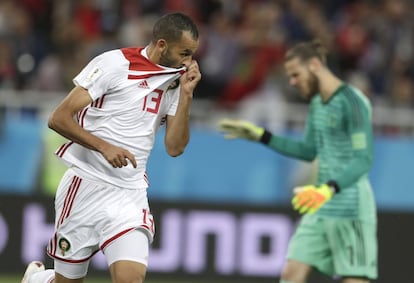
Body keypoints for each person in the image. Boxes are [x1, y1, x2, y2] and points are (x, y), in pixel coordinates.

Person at [21, 12, 201, 283]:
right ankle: (39, 280)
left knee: (130, 279)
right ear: (162, 45)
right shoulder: (114, 64)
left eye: (191, 54)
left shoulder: (175, 83)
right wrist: (104, 147)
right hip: (86, 186)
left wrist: (187, 95)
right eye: (184, 53)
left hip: (130, 194)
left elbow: (175, 147)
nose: (188, 61)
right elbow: (58, 118)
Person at [218, 39, 377, 283]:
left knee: (354, 279)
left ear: (314, 65)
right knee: (291, 273)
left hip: (351, 205)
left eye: (295, 75)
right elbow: (308, 151)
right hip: (320, 203)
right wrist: (262, 136)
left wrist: (328, 188)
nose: (292, 82)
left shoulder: (353, 102)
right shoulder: (317, 104)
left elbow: (363, 160)